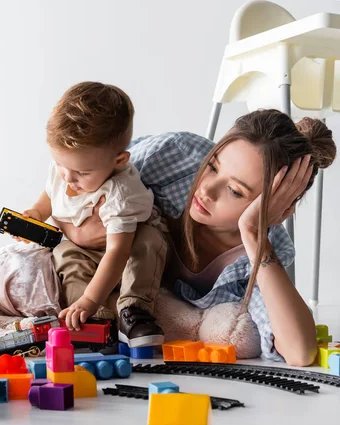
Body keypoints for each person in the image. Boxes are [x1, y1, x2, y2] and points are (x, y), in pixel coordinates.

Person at [72, 110, 337, 366]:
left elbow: (299, 352)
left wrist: (254, 235)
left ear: (279, 209)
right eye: (212, 166)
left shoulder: (262, 255)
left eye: (234, 191)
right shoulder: (173, 157)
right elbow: (77, 177)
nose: (206, 189)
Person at [21, 81, 166, 348]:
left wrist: (92, 296)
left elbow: (117, 253)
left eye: (83, 173)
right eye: (61, 164)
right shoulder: (65, 168)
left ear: (119, 160)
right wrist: (37, 213)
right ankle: (90, 319)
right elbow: (51, 196)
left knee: (149, 243)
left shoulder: (120, 193)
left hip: (122, 250)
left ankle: (134, 309)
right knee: (63, 254)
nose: (68, 177)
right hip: (82, 249)